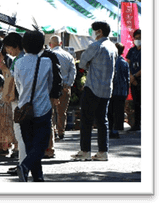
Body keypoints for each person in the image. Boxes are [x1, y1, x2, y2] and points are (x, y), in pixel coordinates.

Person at [72, 20, 117, 161]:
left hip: (92, 87)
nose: (93, 32)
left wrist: (89, 65)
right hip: (106, 88)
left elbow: (83, 62)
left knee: (86, 120)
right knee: (102, 121)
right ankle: (103, 151)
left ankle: (85, 150)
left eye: (94, 30)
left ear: (99, 32)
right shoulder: (113, 47)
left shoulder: (96, 46)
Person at [12, 30, 53, 182]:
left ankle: (38, 177)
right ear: (42, 45)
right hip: (43, 107)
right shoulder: (46, 62)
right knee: (41, 145)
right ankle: (26, 167)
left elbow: (18, 85)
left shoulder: (19, 63)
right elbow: (49, 84)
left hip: (24, 108)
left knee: (30, 144)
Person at [0, 31, 26, 171]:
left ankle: (23, 165)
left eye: (9, 47)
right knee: (20, 134)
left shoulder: (20, 60)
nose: (8, 51)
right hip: (20, 100)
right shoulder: (20, 58)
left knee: (20, 134)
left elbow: (14, 80)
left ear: (15, 46)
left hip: (19, 101)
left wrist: (5, 70)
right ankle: (22, 163)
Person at [48, 35, 76, 141]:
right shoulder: (68, 56)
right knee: (62, 111)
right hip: (64, 86)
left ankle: (53, 131)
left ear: (50, 44)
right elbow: (73, 71)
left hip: (51, 87)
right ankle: (61, 131)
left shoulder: (49, 55)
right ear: (60, 43)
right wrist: (68, 84)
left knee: (51, 111)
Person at [0, 41, 17, 158]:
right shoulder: (5, 59)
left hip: (7, 93)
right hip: (3, 93)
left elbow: (10, 76)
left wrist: (4, 68)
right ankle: (3, 145)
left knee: (7, 121)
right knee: (2, 121)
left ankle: (9, 146)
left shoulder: (8, 60)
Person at [108, 42, 130, 139]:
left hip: (112, 90)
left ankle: (110, 130)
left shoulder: (111, 61)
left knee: (110, 111)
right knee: (119, 111)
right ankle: (116, 130)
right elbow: (127, 78)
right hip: (122, 91)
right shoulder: (124, 63)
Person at [125, 29, 141, 132]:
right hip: (133, 80)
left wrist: (135, 76)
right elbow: (128, 63)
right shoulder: (132, 50)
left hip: (140, 78)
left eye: (140, 38)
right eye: (136, 38)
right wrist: (131, 77)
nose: (138, 40)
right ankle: (136, 124)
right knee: (136, 103)